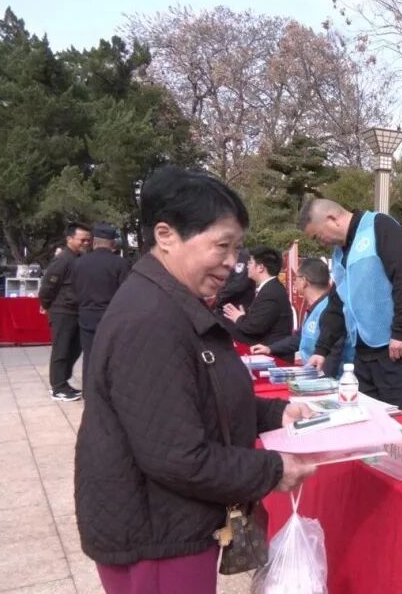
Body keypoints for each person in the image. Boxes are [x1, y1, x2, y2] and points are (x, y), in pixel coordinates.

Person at [75, 166, 316, 594]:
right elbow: (178, 456)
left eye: (237, 249)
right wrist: (272, 469)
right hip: (156, 535)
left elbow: (201, 396)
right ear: (166, 235)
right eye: (222, 246)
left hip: (168, 523)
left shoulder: (169, 301)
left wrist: (275, 413)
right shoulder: (150, 319)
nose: (232, 263)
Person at [298, 198, 402, 413]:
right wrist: (321, 350)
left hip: (397, 348)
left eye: (318, 235)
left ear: (332, 219)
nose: (322, 242)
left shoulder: (379, 226)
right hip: (364, 351)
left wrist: (401, 332)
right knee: (368, 413)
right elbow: (338, 303)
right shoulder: (340, 254)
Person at [250, 258, 352, 377]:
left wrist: (324, 380)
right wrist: (270, 349)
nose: (294, 281)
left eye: (296, 278)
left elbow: (334, 350)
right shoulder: (314, 307)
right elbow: (300, 337)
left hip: (328, 379)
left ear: (304, 281)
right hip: (313, 375)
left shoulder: (330, 311)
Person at [71, 223, 130, 385]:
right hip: (111, 316)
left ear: (94, 242)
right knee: (112, 355)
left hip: (87, 315)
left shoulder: (79, 263)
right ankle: (110, 389)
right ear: (112, 243)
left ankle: (89, 391)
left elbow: (74, 290)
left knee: (89, 355)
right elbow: (125, 293)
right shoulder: (120, 264)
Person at [39, 222, 92, 401]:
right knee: (62, 349)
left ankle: (63, 382)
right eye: (82, 240)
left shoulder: (80, 258)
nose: (86, 243)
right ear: (69, 239)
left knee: (74, 349)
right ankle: (58, 387)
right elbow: (48, 285)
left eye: (88, 240)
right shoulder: (63, 259)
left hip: (76, 310)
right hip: (62, 310)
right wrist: (46, 304)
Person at [222, 246, 294, 361]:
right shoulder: (270, 288)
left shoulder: (271, 293)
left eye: (250, 263)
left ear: (260, 268)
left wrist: (238, 318)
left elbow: (254, 327)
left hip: (274, 357)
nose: (247, 266)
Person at [214, 247, 254, 313]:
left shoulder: (242, 256)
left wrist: (217, 298)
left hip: (236, 308)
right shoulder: (230, 254)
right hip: (225, 307)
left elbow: (239, 284)